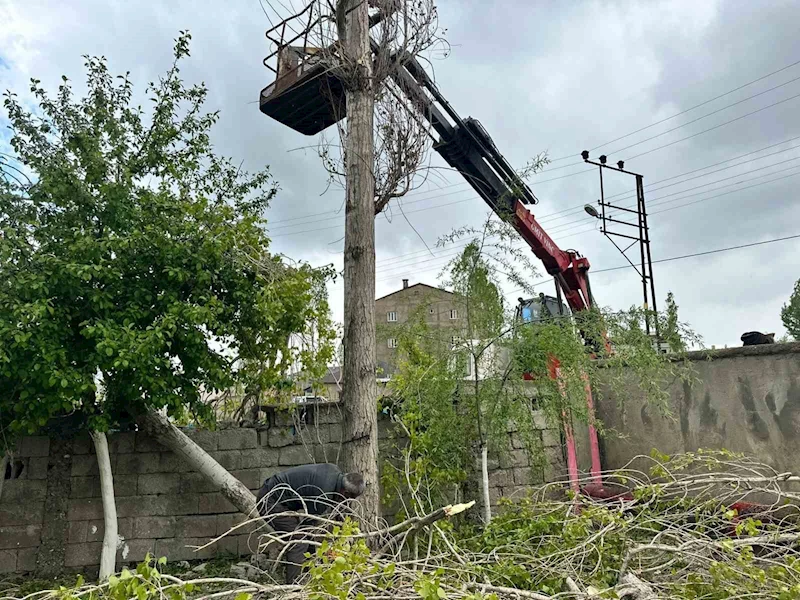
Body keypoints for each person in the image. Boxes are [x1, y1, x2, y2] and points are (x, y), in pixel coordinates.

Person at [256, 463, 365, 583]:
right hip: (268, 501)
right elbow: (308, 527)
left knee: (307, 536)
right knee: (299, 539)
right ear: (345, 493)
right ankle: (293, 588)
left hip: (278, 498)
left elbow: (338, 512)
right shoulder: (323, 493)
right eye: (350, 498)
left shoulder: (335, 474)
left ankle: (311, 576)